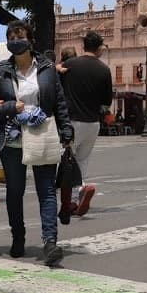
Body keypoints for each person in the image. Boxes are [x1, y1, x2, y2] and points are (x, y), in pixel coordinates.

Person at [0, 20, 74, 266]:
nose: (15, 40)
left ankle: (50, 242)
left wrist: (66, 131)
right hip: (12, 138)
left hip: (42, 134)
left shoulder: (47, 69)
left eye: (20, 35)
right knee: (15, 192)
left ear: (30, 40)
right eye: (11, 36)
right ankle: (18, 236)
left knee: (46, 191)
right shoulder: (0, 71)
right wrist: (11, 107)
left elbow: (59, 102)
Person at [59, 31, 112, 216]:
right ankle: (74, 199)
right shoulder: (104, 70)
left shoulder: (70, 64)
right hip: (92, 122)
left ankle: (78, 192)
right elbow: (107, 101)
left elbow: (56, 84)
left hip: (71, 121)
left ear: (83, 47)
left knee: (65, 161)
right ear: (99, 48)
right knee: (82, 161)